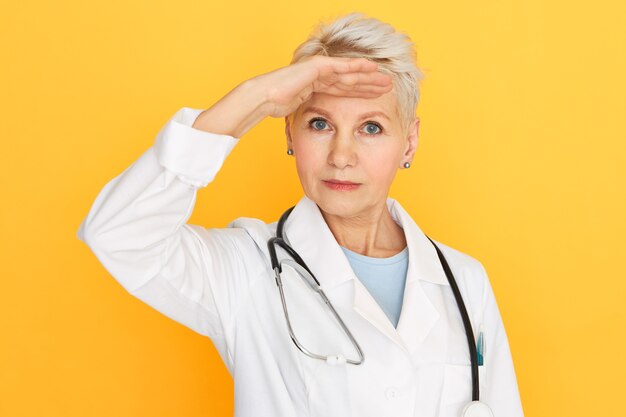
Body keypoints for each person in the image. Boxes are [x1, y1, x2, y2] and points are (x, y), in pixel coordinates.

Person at [77, 11, 524, 417]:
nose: (341, 155)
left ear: (409, 141)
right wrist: (256, 97)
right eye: (319, 124)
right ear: (288, 130)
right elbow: (117, 232)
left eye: (371, 127)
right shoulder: (246, 270)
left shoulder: (465, 283)